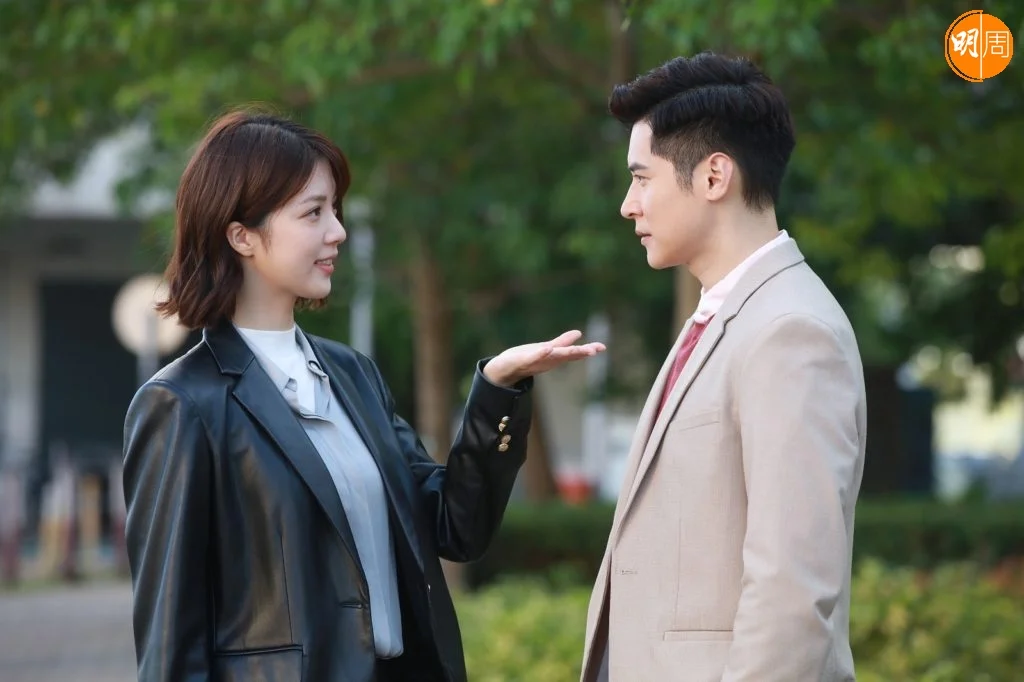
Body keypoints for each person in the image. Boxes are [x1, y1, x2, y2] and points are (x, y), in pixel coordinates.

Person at [122, 108, 605, 682]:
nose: (338, 232)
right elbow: (172, 643)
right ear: (241, 235)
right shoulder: (182, 404)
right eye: (313, 213)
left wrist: (497, 391)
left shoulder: (353, 375)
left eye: (335, 209)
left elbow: (454, 527)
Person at [580, 52, 867, 681]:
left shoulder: (792, 332)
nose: (628, 205)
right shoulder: (726, 316)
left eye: (642, 178)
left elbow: (792, 592)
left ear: (714, 176)